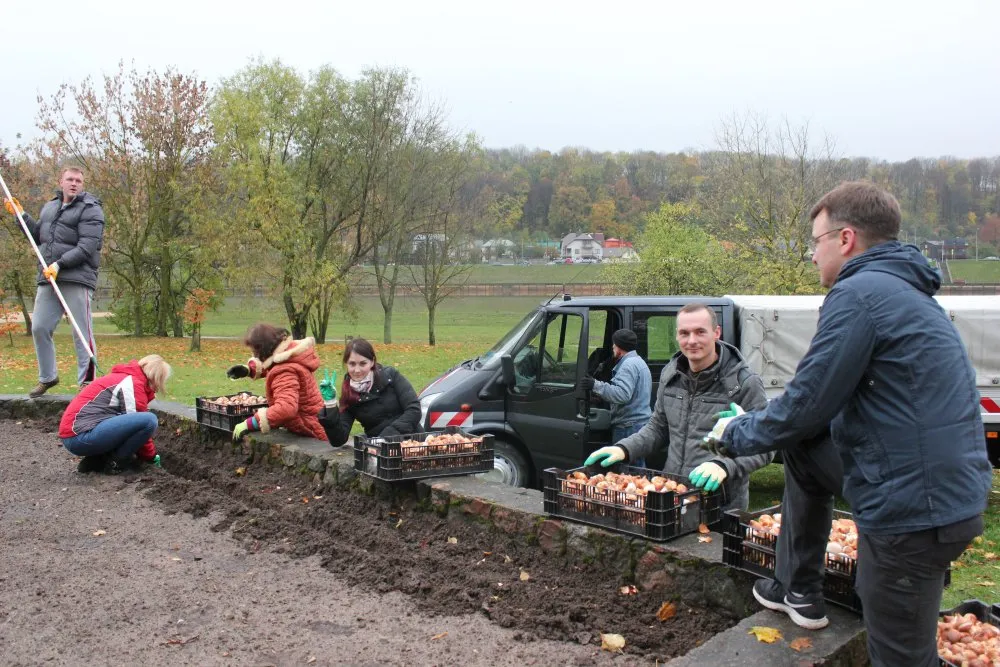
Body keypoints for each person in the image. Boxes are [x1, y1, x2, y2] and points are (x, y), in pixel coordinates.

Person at [704, 181, 991, 665]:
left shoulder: (858, 295)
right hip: (944, 497)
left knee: (899, 655)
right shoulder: (904, 292)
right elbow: (817, 416)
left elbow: (806, 402)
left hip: (913, 514)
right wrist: (768, 425)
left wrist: (734, 434)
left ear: (845, 238)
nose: (812, 256)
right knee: (804, 448)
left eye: (815, 243)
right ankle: (798, 588)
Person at [584, 303, 772, 511]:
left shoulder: (743, 382)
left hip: (720, 502)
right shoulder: (670, 374)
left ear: (716, 332)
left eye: (700, 332)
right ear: (677, 336)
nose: (691, 340)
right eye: (684, 333)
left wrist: (724, 465)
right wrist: (624, 448)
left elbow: (766, 443)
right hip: (673, 492)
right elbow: (657, 428)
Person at [5, 167, 105, 398]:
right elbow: (40, 236)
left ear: (83, 184)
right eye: (69, 179)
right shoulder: (50, 207)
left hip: (77, 276)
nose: (74, 183)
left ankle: (88, 381)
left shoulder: (92, 209)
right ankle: (48, 377)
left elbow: (87, 246)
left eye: (78, 180)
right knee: (39, 327)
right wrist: (21, 215)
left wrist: (59, 264)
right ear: (61, 181)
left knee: (81, 331)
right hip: (48, 278)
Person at [59, 354, 171, 474]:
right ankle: (116, 463)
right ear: (156, 378)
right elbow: (136, 422)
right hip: (80, 437)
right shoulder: (132, 384)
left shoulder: (122, 378)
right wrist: (151, 457)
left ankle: (95, 462)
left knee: (126, 421)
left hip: (74, 436)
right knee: (149, 420)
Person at [226, 324, 327, 442]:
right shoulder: (288, 355)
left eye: (255, 351)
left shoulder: (285, 371)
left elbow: (286, 408)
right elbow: (274, 364)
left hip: (311, 430)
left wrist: (251, 423)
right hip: (314, 421)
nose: (254, 355)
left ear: (263, 351)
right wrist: (249, 370)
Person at [319, 337, 421, 446]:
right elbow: (338, 440)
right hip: (381, 453)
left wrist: (386, 437)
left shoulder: (390, 376)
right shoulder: (349, 393)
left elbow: (414, 409)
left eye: (363, 363)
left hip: (413, 443)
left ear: (372, 362)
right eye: (352, 364)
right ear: (346, 364)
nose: (357, 370)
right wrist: (330, 404)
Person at [580, 329, 652, 466]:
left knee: (627, 472)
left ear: (619, 347)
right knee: (637, 470)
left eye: (614, 345)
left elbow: (622, 395)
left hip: (628, 427)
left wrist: (595, 385)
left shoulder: (627, 365)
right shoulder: (638, 362)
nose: (612, 348)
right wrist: (602, 398)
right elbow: (632, 394)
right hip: (637, 425)